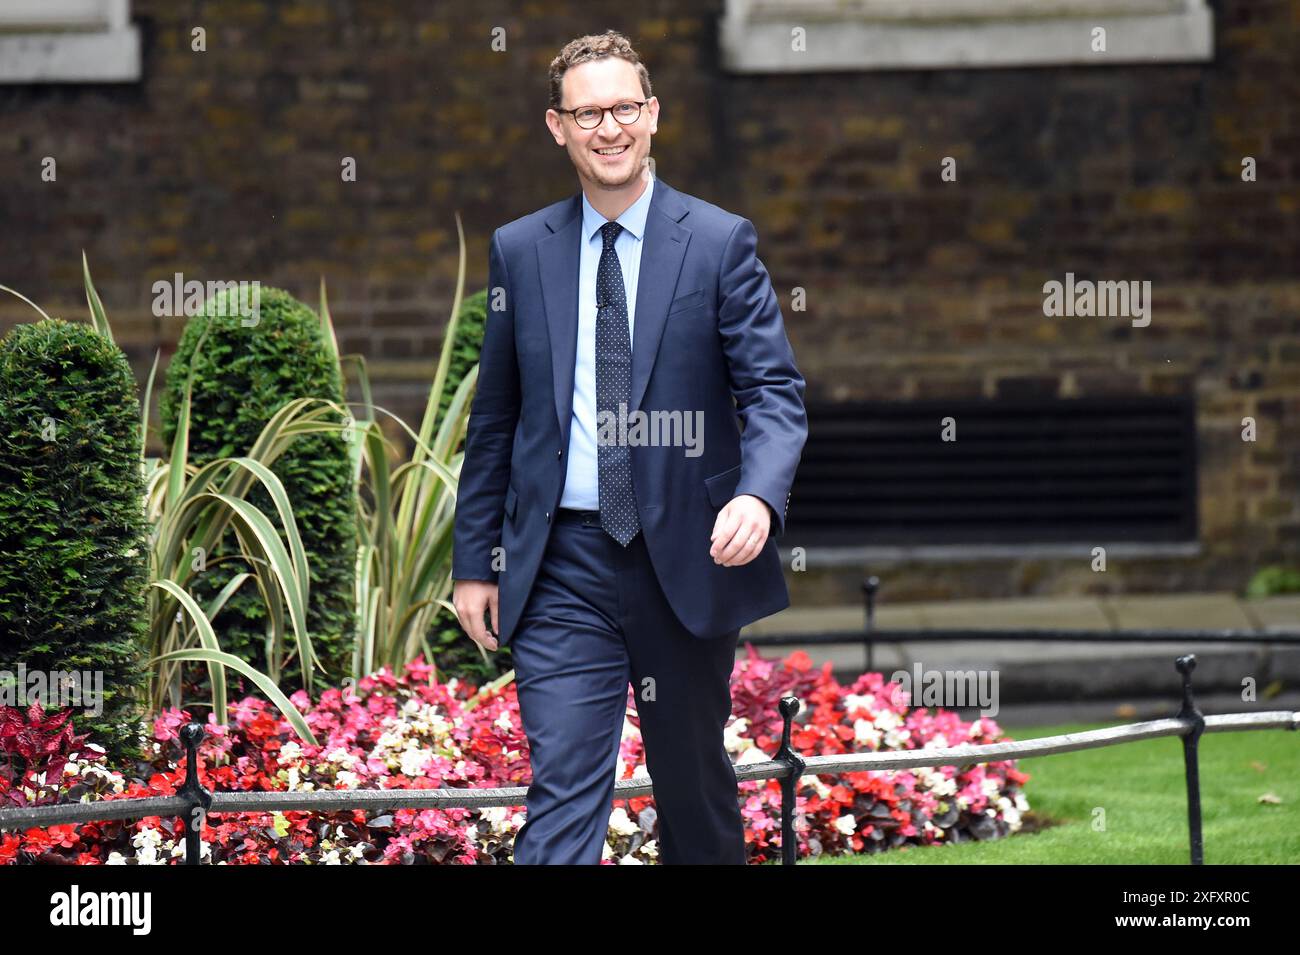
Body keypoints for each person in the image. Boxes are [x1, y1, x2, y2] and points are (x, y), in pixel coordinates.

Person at [452, 29, 807, 865]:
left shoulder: (719, 243)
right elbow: (496, 417)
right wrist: (476, 561)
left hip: (684, 556)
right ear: (557, 127)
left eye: (622, 109)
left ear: (652, 115)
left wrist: (757, 494)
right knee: (565, 784)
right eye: (587, 113)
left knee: (693, 789)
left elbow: (772, 391)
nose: (607, 129)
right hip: (561, 563)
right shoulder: (520, 250)